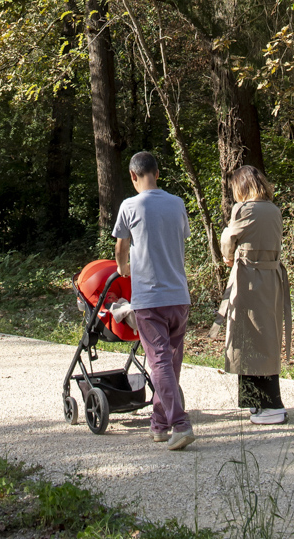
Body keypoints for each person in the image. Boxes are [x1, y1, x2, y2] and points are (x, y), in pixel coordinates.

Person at [113, 151, 195, 451]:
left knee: (158, 360)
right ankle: (160, 425)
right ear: (157, 174)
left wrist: (124, 269)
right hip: (178, 295)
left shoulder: (129, 206)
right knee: (171, 363)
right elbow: (178, 239)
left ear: (134, 176)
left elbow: (121, 249)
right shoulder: (177, 203)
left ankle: (181, 424)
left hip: (149, 296)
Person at [218, 166, 292, 425]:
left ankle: (270, 405)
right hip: (271, 279)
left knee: (248, 336)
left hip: (249, 280)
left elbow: (228, 238)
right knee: (266, 336)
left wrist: (229, 256)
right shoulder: (273, 209)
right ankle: (254, 400)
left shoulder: (243, 209)